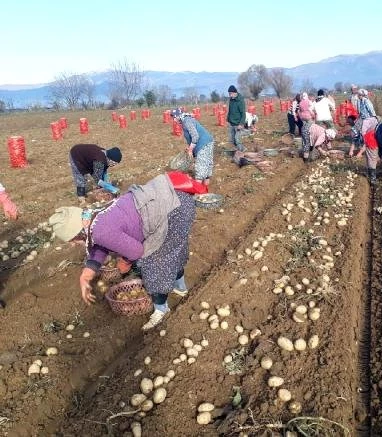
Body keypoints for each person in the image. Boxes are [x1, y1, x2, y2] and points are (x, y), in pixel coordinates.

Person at [48, 172, 207, 330]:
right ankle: (180, 288)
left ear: (77, 234)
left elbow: (136, 251)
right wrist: (87, 274)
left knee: (154, 261)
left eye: (72, 241)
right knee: (171, 253)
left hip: (173, 210)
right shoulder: (94, 217)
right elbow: (102, 242)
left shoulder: (100, 231)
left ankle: (162, 309)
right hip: (175, 201)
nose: (73, 245)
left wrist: (125, 261)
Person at [171, 109, 214, 187]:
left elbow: (195, 136)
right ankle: (206, 187)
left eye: (174, 117)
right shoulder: (186, 120)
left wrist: (191, 149)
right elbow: (192, 137)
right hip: (208, 141)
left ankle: (198, 192)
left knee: (200, 166)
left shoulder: (187, 121)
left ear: (178, 116)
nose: (174, 120)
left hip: (203, 144)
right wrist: (190, 147)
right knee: (207, 163)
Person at [226, 85, 246, 152]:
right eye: (229, 94)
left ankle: (241, 151)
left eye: (230, 94)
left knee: (237, 139)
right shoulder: (231, 100)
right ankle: (238, 150)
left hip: (238, 123)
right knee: (232, 139)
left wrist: (241, 124)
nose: (230, 95)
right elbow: (230, 110)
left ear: (235, 92)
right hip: (231, 123)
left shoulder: (240, 100)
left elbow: (243, 113)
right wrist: (228, 119)